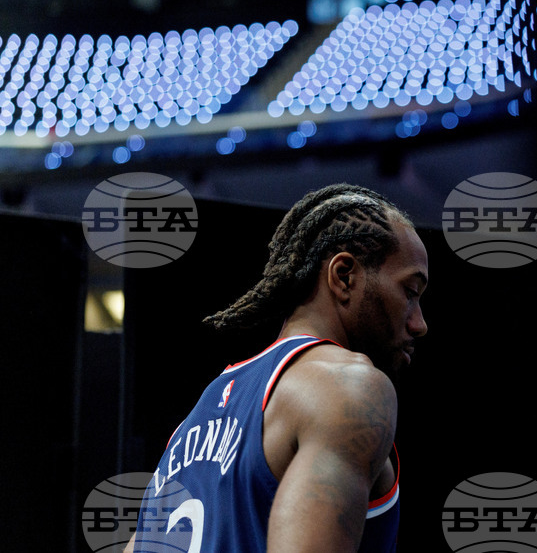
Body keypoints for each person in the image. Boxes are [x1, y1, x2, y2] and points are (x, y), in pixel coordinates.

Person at [125, 183, 429, 552]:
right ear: (344, 275)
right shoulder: (350, 386)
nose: (419, 323)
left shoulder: (190, 425)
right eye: (410, 293)